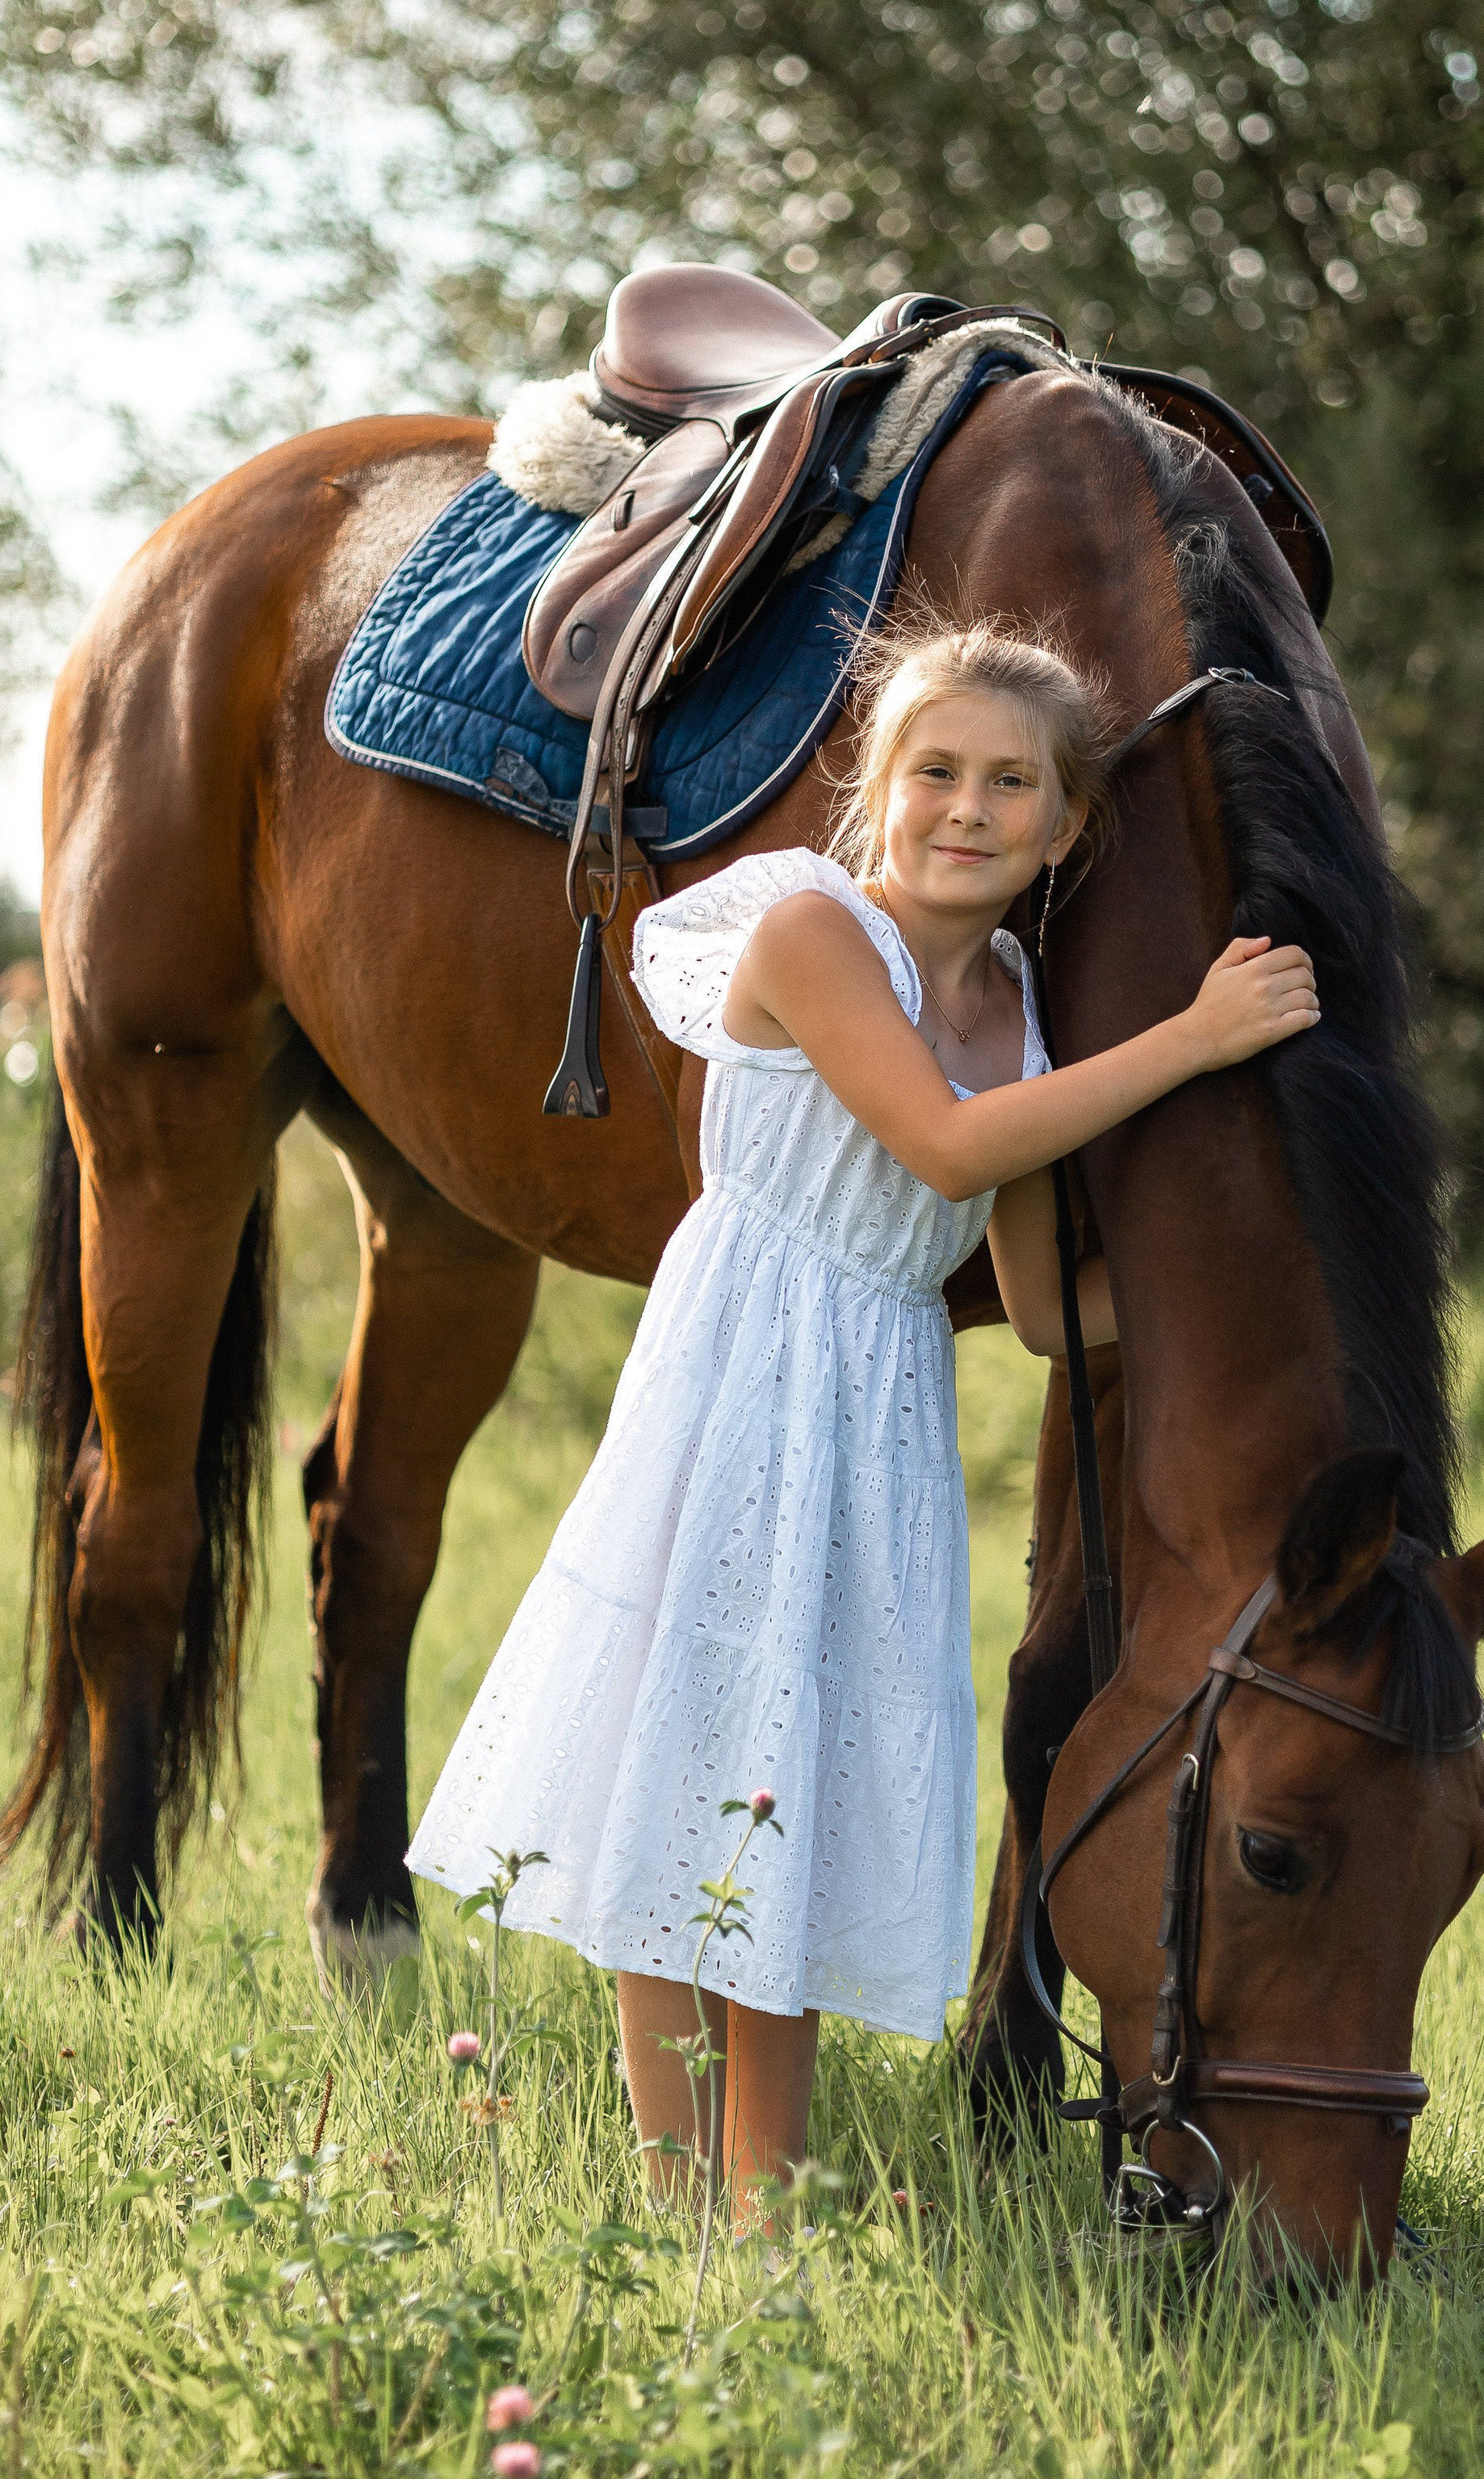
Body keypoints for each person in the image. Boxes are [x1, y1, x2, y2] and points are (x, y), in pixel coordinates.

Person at [405, 618, 1318, 2225]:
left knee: (796, 1777)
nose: (964, 808)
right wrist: (1189, 1039)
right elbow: (947, 1151)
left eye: (1010, 783)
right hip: (748, 1369)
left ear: (1066, 821)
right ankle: (686, 2192)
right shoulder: (815, 933)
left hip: (880, 1393)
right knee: (697, 1750)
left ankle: (765, 2196)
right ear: (875, 788)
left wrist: (1253, 1299)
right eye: (933, 771)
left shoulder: (1022, 999)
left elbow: (1037, 1311)